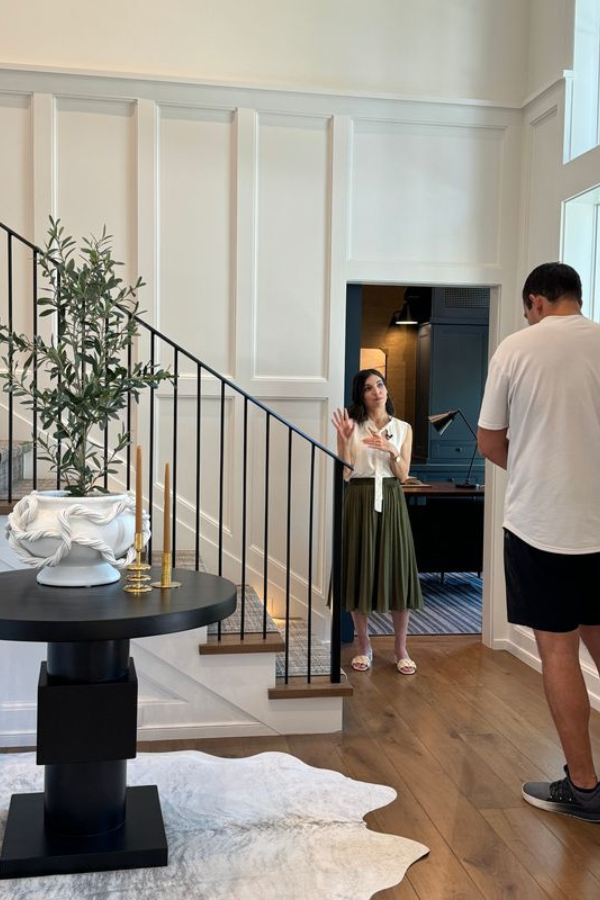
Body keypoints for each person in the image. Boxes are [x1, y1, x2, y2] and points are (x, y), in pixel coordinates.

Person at [478, 261, 600, 823]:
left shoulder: (516, 348)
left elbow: (488, 440)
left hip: (540, 526)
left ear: (536, 301)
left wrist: (529, 465)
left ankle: (583, 787)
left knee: (559, 652)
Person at [332, 368, 423, 674]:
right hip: (359, 498)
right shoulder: (352, 426)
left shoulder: (404, 428)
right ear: (361, 394)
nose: (377, 391)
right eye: (369, 388)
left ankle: (400, 648)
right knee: (359, 570)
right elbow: (345, 473)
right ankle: (364, 646)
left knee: (397, 571)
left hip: (392, 500)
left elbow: (402, 474)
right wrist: (343, 440)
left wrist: (393, 450)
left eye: (380, 385)